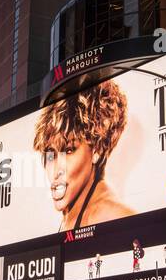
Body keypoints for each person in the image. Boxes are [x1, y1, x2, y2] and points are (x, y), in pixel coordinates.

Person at [32, 80, 136, 231]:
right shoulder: (73, 213)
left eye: (68, 150)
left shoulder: (112, 215)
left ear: (97, 150)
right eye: (50, 155)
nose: (56, 171)